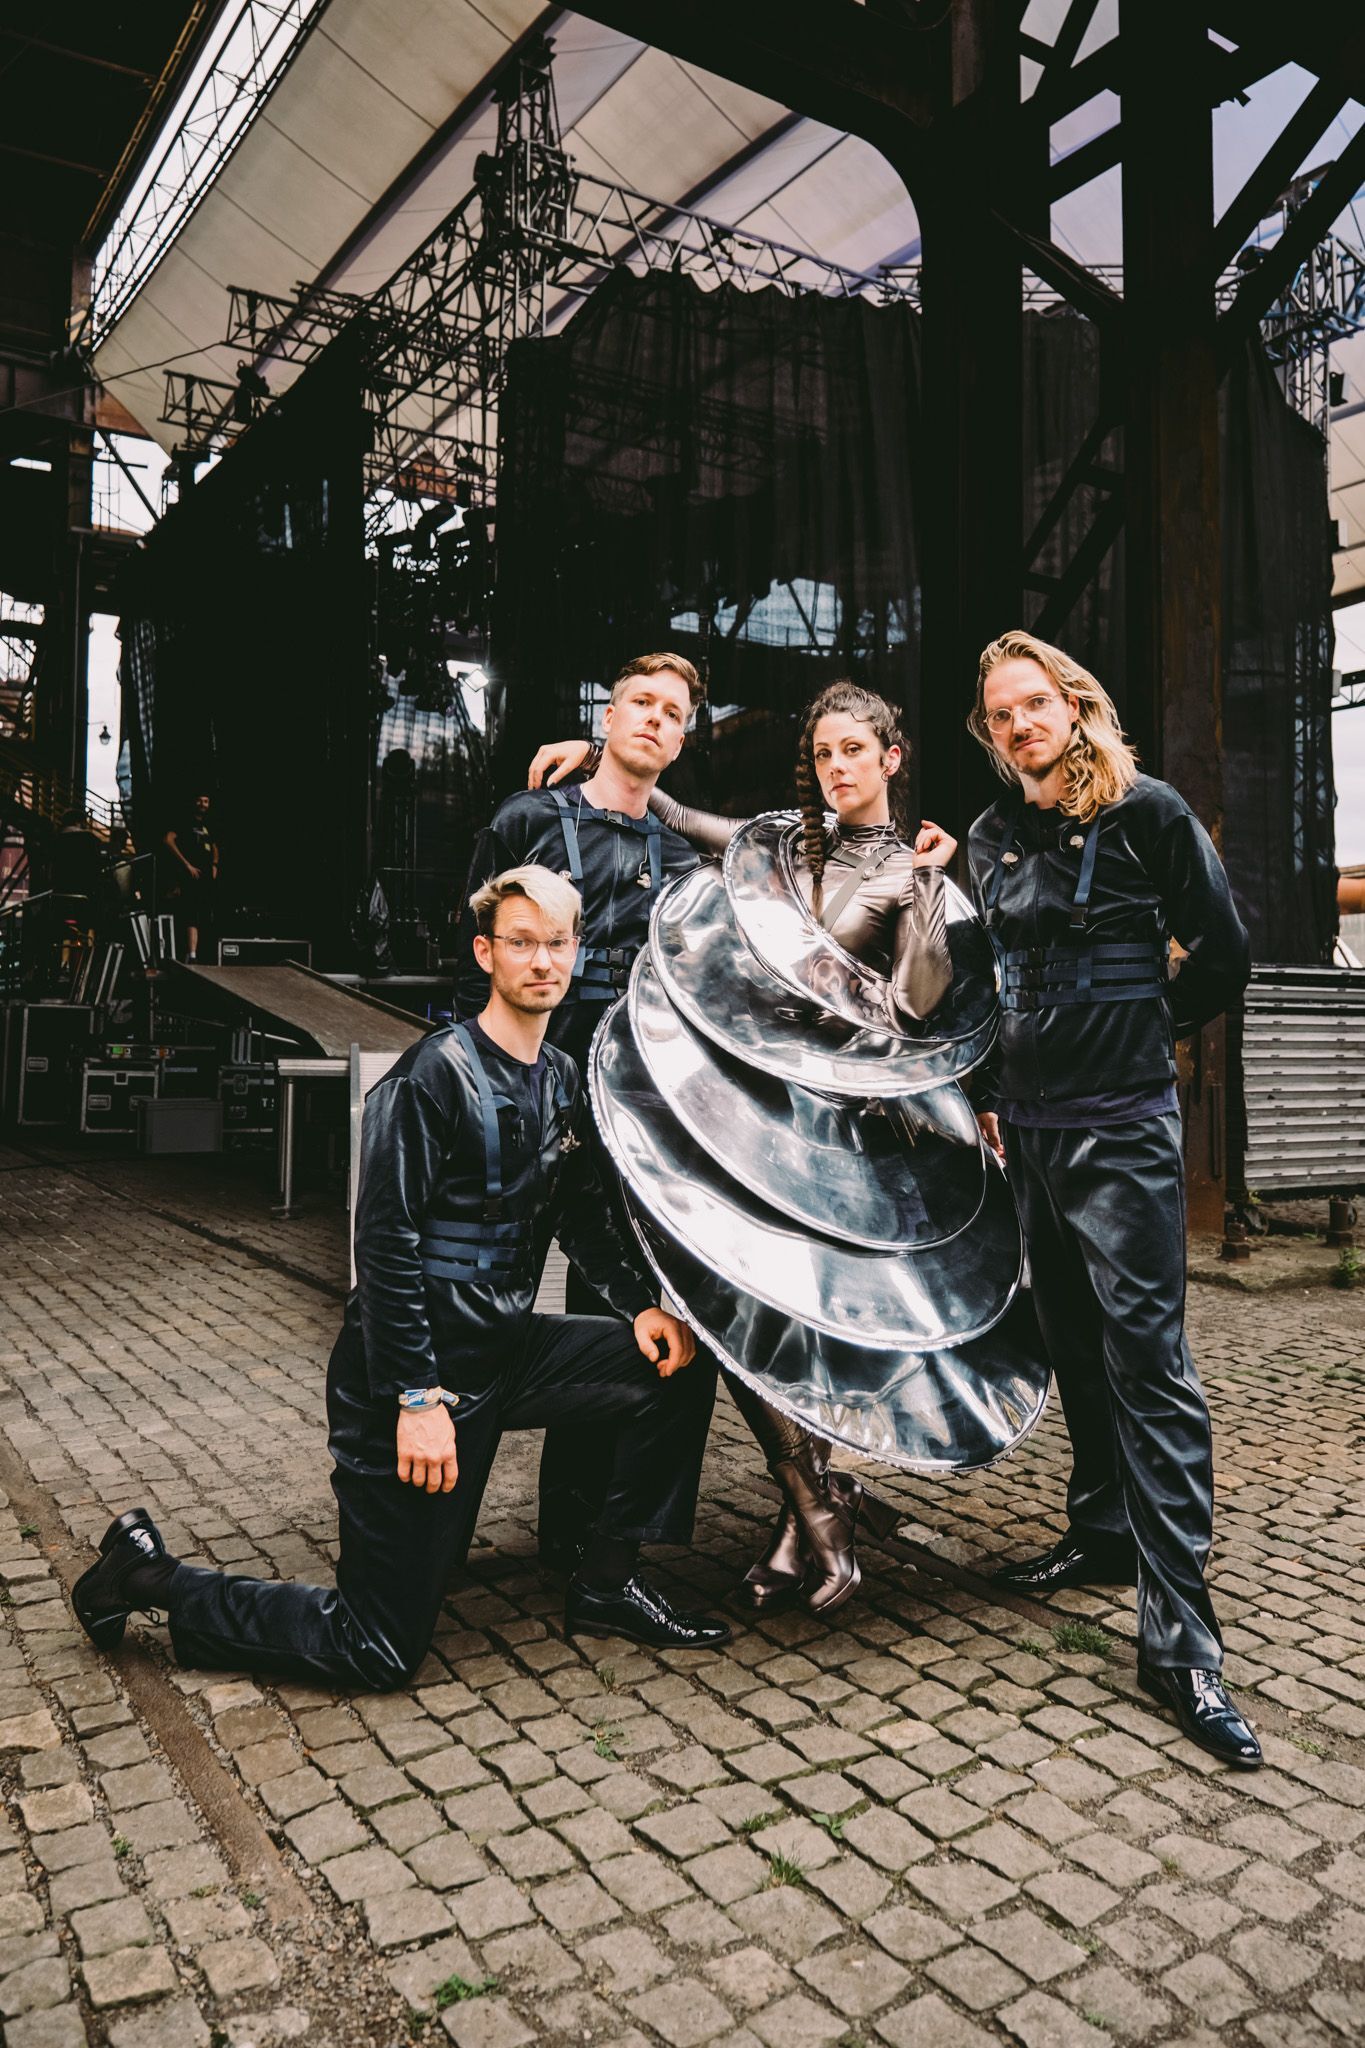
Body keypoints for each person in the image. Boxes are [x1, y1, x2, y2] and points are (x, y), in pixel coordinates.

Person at [71, 865, 727, 1686]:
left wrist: (639, 1305)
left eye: (556, 944)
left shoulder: (562, 1079)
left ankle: (604, 1579)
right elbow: (382, 1247)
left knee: (674, 1365)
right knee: (375, 1649)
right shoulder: (431, 1076)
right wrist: (416, 1399)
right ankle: (145, 1577)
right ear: (487, 953)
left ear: (574, 953)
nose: (541, 961)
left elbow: (583, 1218)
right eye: (520, 943)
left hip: (507, 1353)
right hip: (414, 1379)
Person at [528, 680, 959, 1616]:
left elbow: (919, 1007)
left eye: (853, 751)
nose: (835, 769)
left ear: (892, 758)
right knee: (739, 1311)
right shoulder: (780, 850)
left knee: (810, 1322)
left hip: (837, 1127)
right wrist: (589, 754)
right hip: (749, 1117)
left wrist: (925, 888)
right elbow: (678, 816)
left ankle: (808, 1515)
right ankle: (816, 1506)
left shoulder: (909, 867)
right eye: (822, 755)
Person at [966, 627, 1259, 1768]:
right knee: (1072, 1342)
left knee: (1152, 1368)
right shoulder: (991, 837)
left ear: (1074, 704)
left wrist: (1147, 1031)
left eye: (1035, 702)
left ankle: (1182, 1641)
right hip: (1029, 1135)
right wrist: (992, 1085)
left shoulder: (1149, 813)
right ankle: (1097, 1532)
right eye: (1001, 714)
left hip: (1124, 1133)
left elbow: (1223, 954)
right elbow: (992, 980)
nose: (1021, 723)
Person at [455, 655, 706, 1568]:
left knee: (627, 1307)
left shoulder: (682, 862)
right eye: (639, 701)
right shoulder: (527, 820)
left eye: (671, 712)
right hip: (527, 1097)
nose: (652, 718)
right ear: (608, 712)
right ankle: (432, 1478)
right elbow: (468, 961)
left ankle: (591, 1532)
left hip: (633, 1115)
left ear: (682, 740)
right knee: (485, 1293)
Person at [163, 792, 218, 962]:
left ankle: (200, 953)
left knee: (204, 913)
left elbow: (215, 845)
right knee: (191, 914)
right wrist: (186, 865)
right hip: (191, 875)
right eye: (200, 801)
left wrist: (215, 864)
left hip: (206, 876)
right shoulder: (185, 821)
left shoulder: (208, 824)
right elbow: (168, 839)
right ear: (194, 802)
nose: (203, 804)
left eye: (206, 801)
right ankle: (192, 954)